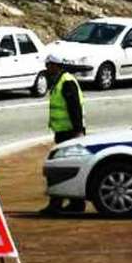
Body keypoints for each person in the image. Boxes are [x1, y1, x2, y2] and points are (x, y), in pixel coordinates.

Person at [40, 53, 87, 215]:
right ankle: (75, 203)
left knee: (59, 169)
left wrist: (78, 131)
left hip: (71, 133)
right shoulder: (59, 80)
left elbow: (75, 108)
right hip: (63, 132)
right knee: (68, 167)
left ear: (56, 65)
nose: (47, 69)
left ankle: (57, 203)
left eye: (49, 65)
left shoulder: (66, 82)